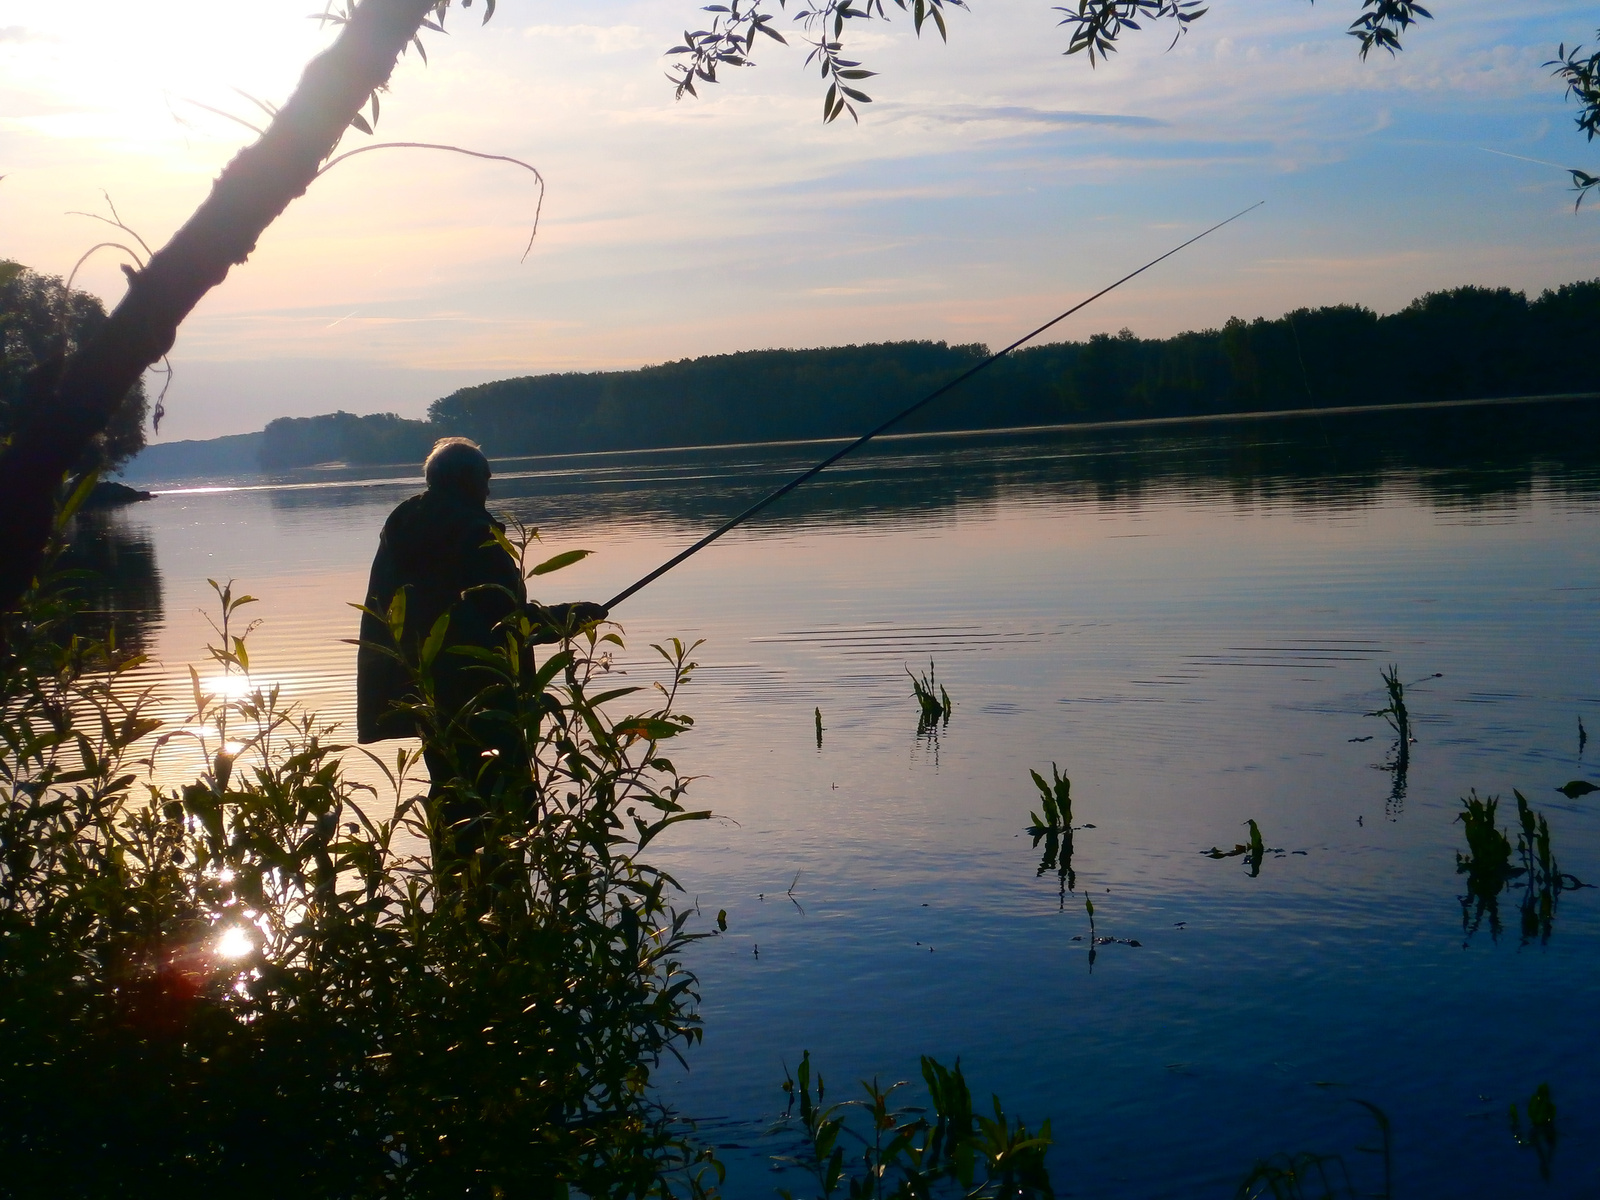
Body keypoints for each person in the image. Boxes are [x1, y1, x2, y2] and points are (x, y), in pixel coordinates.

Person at [356, 437, 606, 858]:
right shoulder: (473, 532)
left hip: (426, 689)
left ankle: (454, 893)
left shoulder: (403, 523)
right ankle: (503, 898)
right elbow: (504, 618)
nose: (489, 490)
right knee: (503, 795)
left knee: (451, 787)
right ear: (467, 481)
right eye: (486, 480)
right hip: (485, 691)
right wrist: (570, 618)